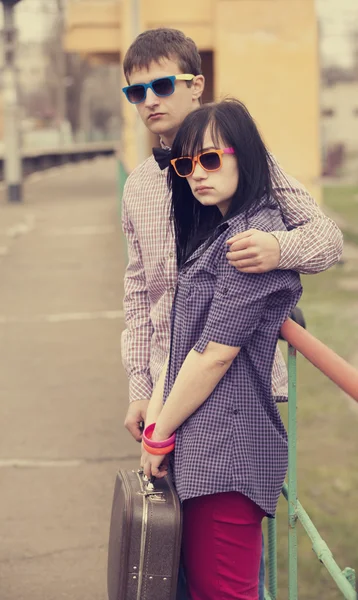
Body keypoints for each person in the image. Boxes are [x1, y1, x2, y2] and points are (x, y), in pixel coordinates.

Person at [120, 28, 343, 599]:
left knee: (230, 571)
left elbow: (324, 238)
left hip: (231, 402)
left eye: (162, 85)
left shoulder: (246, 171)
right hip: (171, 400)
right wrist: (142, 389)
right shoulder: (143, 187)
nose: (149, 99)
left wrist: (278, 251)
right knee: (174, 568)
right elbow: (140, 296)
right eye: (135, 91)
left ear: (195, 86)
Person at [141, 98, 303, 599]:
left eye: (210, 159)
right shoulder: (223, 230)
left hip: (226, 454)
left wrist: (158, 434)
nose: (197, 175)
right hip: (208, 446)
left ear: (245, 156)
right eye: (187, 165)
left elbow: (214, 353)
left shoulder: (251, 240)